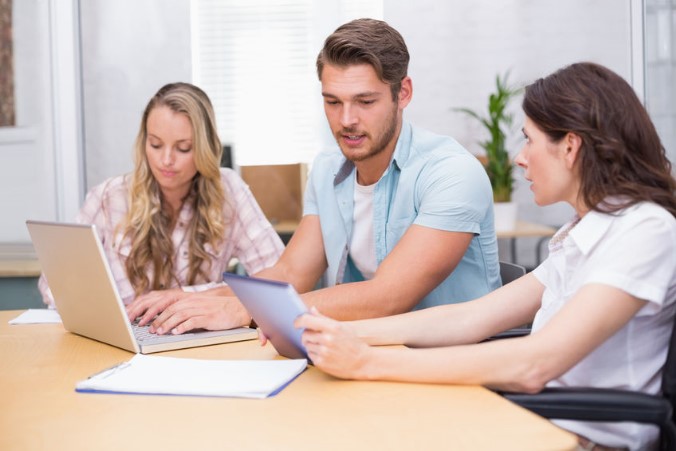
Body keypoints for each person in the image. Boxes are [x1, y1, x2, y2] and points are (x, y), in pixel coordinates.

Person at [295, 62, 676, 451]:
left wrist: (365, 362)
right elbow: (470, 317)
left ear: (570, 146)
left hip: (582, 440)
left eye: (529, 140)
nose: (519, 158)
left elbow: (535, 364)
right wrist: (336, 334)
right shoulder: (587, 233)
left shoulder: (644, 231)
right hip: (531, 421)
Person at [126, 18, 500, 335]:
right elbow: (291, 272)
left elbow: (388, 296)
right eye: (332, 101)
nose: (347, 119)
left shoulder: (452, 173)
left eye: (365, 102)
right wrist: (195, 300)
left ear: (402, 93)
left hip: (454, 366)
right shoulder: (327, 168)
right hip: (364, 356)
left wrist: (247, 310)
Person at [38, 82, 284, 318]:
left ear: (205, 148)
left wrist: (184, 298)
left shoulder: (229, 191)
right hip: (124, 343)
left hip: (196, 343)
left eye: (183, 148)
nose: (166, 160)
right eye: (155, 144)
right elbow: (52, 285)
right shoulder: (109, 197)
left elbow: (280, 276)